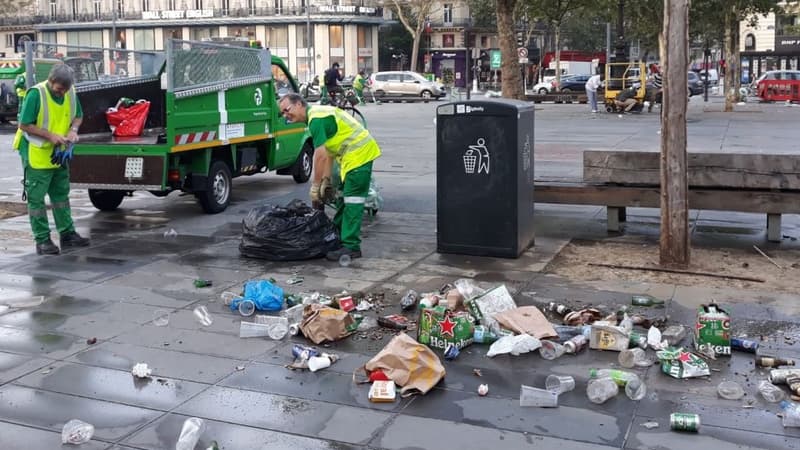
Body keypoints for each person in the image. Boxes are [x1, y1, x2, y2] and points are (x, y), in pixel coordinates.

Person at [278, 93, 381, 261]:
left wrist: (315, 185)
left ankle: (351, 246)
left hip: (359, 156)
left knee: (353, 202)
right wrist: (326, 180)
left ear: (298, 105)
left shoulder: (316, 119)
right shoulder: (317, 115)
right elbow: (329, 153)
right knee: (341, 199)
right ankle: (338, 236)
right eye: (282, 113)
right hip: (351, 158)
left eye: (286, 110)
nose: (285, 115)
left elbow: (320, 155)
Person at [16, 64, 90, 255]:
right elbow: (24, 124)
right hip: (37, 153)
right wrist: (50, 135)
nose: (62, 93)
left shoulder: (70, 92)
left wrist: (73, 131)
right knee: (37, 199)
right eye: (59, 89)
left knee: (60, 196)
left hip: (59, 153)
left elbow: (78, 116)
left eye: (65, 90)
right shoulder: (36, 94)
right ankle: (42, 240)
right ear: (50, 81)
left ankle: (67, 234)